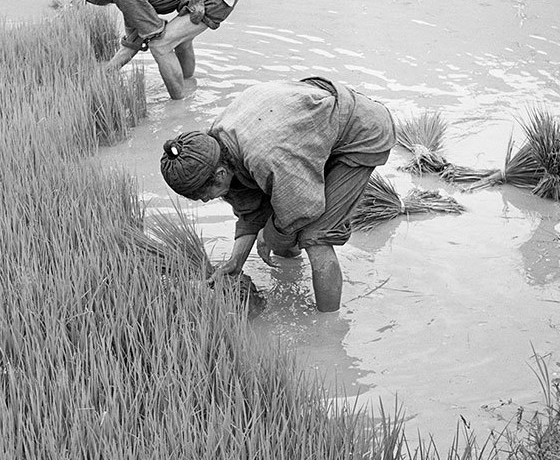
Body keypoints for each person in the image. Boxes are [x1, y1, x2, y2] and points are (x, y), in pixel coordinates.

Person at [159, 77, 395, 312]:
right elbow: (250, 207)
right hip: (308, 133)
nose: (205, 200)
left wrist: (268, 234)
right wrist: (236, 262)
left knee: (315, 235)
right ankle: (291, 271)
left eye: (204, 195)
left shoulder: (266, 156)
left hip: (360, 132)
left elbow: (303, 210)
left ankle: (328, 328)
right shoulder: (215, 147)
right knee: (281, 222)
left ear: (220, 174)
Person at [70, 0, 242, 100]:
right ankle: (189, 84)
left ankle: (180, 105)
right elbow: (132, 43)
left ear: (91, 0)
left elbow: (155, 35)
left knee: (160, 45)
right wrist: (105, 73)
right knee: (179, 40)